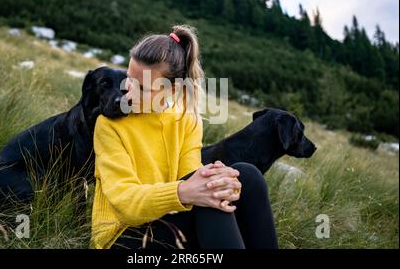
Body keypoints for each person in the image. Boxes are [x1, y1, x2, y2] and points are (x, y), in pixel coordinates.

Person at [91, 25, 278, 249]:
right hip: (123, 238)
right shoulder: (109, 125)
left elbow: (191, 177)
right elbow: (124, 204)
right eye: (129, 79)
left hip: (170, 223)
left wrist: (224, 182)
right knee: (208, 198)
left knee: (247, 176)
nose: (129, 93)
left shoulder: (187, 120)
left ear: (172, 90)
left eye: (143, 88)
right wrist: (184, 191)